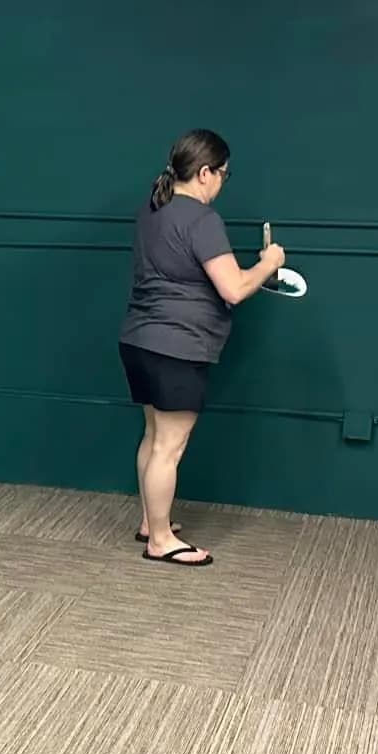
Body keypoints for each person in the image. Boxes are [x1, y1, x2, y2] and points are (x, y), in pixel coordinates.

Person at [117, 129, 286, 567]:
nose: (222, 184)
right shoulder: (201, 219)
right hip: (177, 347)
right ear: (205, 172)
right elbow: (232, 288)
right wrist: (268, 264)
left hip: (139, 340)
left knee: (154, 437)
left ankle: (151, 522)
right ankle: (159, 541)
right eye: (224, 175)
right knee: (169, 447)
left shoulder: (153, 209)